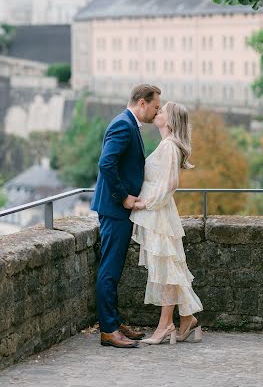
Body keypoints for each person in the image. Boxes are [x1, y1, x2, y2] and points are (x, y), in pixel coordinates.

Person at [91, 84, 161, 348]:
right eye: (155, 107)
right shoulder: (122, 125)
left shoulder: (128, 123)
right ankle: (108, 329)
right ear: (142, 103)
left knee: (114, 268)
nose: (157, 113)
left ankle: (113, 321)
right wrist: (123, 197)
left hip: (117, 209)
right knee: (109, 269)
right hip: (114, 208)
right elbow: (106, 163)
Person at [130, 101, 203, 345]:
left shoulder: (169, 146)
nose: (157, 112)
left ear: (170, 121)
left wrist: (145, 203)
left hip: (158, 214)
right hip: (159, 214)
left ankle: (165, 325)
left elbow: (170, 184)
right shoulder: (166, 145)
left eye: (161, 111)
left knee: (165, 271)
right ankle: (187, 319)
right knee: (167, 268)